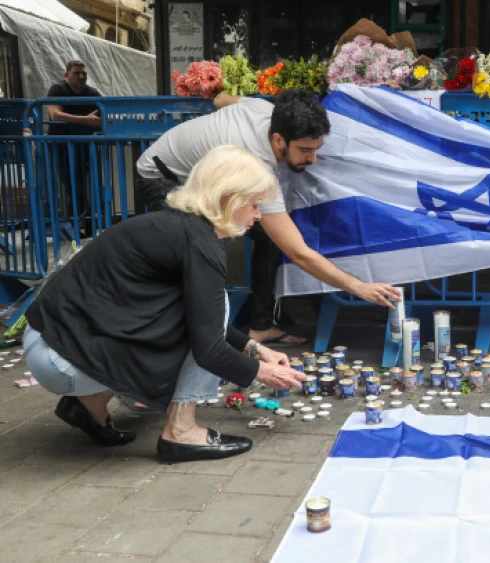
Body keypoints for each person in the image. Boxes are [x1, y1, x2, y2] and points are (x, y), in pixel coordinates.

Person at [24, 145, 306, 462]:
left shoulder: (178, 225)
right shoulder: (201, 244)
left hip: (46, 343)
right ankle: (181, 433)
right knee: (217, 307)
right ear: (230, 198)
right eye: (254, 204)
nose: (258, 215)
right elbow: (207, 345)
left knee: (205, 313)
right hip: (61, 359)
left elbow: (197, 314)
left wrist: (255, 349)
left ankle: (88, 407)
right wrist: (262, 372)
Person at [135, 88, 400, 347]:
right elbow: (299, 253)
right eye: (305, 150)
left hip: (204, 177)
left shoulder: (266, 109)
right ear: (277, 141)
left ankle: (259, 327)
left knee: (270, 240)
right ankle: (186, 341)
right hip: (162, 176)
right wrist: (359, 287)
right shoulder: (255, 161)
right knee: (197, 253)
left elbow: (221, 99)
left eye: (317, 148)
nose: (314, 159)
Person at [47, 60, 102, 237]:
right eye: (76, 73)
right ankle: (79, 223)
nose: (81, 77)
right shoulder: (57, 89)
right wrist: (85, 120)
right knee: (73, 186)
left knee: (80, 186)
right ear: (66, 75)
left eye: (83, 73)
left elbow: (107, 109)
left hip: (84, 148)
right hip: (61, 147)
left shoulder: (91, 93)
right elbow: (55, 115)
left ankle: (79, 225)